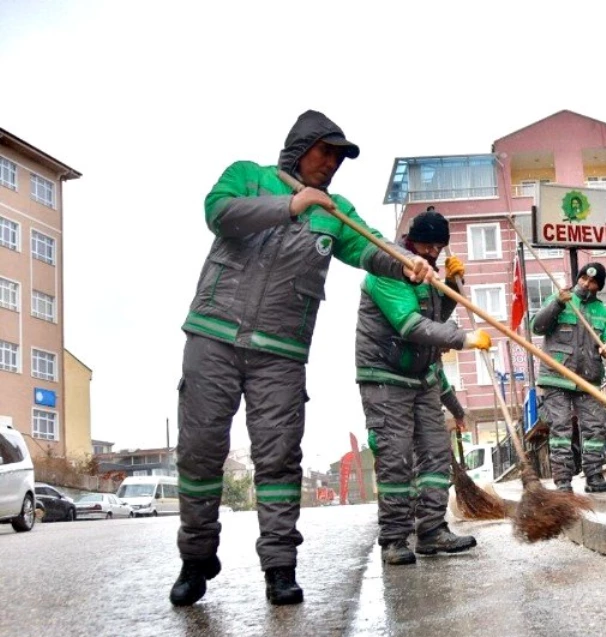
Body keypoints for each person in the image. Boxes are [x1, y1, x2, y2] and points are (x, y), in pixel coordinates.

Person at [170, 110, 433, 608]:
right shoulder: (247, 176)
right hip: (213, 335)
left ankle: (279, 568)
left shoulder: (335, 211)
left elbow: (370, 250)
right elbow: (219, 213)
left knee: (279, 459)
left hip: (282, 353)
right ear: (300, 147)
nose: (332, 163)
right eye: (325, 151)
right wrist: (291, 205)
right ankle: (196, 557)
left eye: (339, 157)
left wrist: (407, 262)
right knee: (200, 451)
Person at [356, 209, 491, 566]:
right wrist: (464, 338)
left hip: (422, 376)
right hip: (385, 377)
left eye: (439, 246)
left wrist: (449, 287)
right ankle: (395, 539)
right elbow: (411, 325)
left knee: (435, 453)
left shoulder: (428, 273)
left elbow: (435, 319)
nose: (433, 251)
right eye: (428, 244)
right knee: (397, 458)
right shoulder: (387, 270)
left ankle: (432, 531)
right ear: (411, 240)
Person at [531, 262, 606, 493]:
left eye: (592, 283)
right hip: (557, 376)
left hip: (588, 378)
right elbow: (537, 327)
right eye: (583, 279)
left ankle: (594, 478)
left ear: (598, 287)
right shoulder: (561, 299)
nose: (586, 285)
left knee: (595, 428)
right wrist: (558, 303)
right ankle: (563, 482)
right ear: (578, 278)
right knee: (561, 429)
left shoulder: (602, 311)